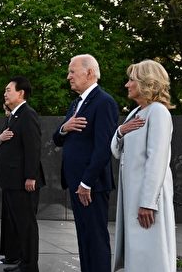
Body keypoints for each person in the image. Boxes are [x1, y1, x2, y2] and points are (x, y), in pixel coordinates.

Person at [53, 54, 118, 272]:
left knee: (96, 238)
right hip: (76, 183)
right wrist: (65, 127)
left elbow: (103, 148)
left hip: (91, 186)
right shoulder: (75, 104)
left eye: (72, 71)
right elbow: (57, 138)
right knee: (84, 237)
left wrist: (87, 183)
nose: (68, 76)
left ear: (89, 72)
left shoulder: (104, 102)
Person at [110, 59, 176, 272]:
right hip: (133, 196)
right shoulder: (136, 113)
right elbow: (116, 150)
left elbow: (157, 159)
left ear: (146, 82)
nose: (127, 85)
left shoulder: (158, 112)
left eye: (131, 80)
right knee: (137, 252)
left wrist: (148, 202)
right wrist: (121, 131)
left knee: (150, 253)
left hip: (147, 199)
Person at [0, 77, 44, 272]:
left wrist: (31, 176)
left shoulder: (27, 114)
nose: (5, 93)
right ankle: (22, 261)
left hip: (23, 182)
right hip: (11, 181)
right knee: (17, 224)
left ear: (21, 92)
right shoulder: (14, 116)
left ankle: (30, 266)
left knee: (26, 225)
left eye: (8, 90)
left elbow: (33, 147)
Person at [0, 102, 20, 266]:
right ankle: (10, 253)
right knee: (8, 219)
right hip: (7, 178)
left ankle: (16, 255)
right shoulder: (9, 122)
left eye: (6, 109)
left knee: (16, 220)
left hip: (17, 178)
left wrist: (31, 177)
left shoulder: (21, 120)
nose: (5, 112)